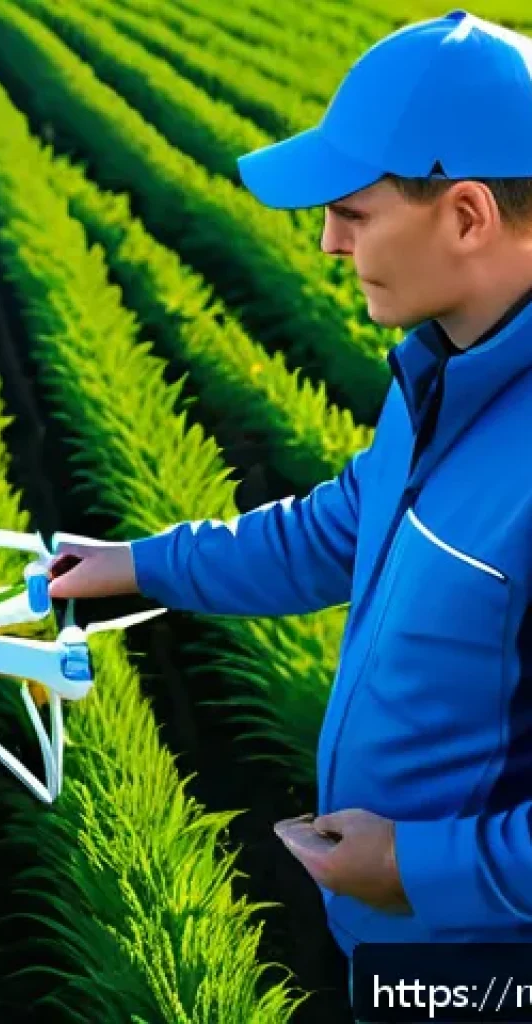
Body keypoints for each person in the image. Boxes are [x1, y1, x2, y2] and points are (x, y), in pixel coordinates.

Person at [46, 9, 532, 1022]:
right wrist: (137, 564)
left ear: (466, 215)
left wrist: (414, 865)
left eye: (353, 211)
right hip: (408, 942)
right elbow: (336, 528)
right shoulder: (440, 372)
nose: (327, 240)